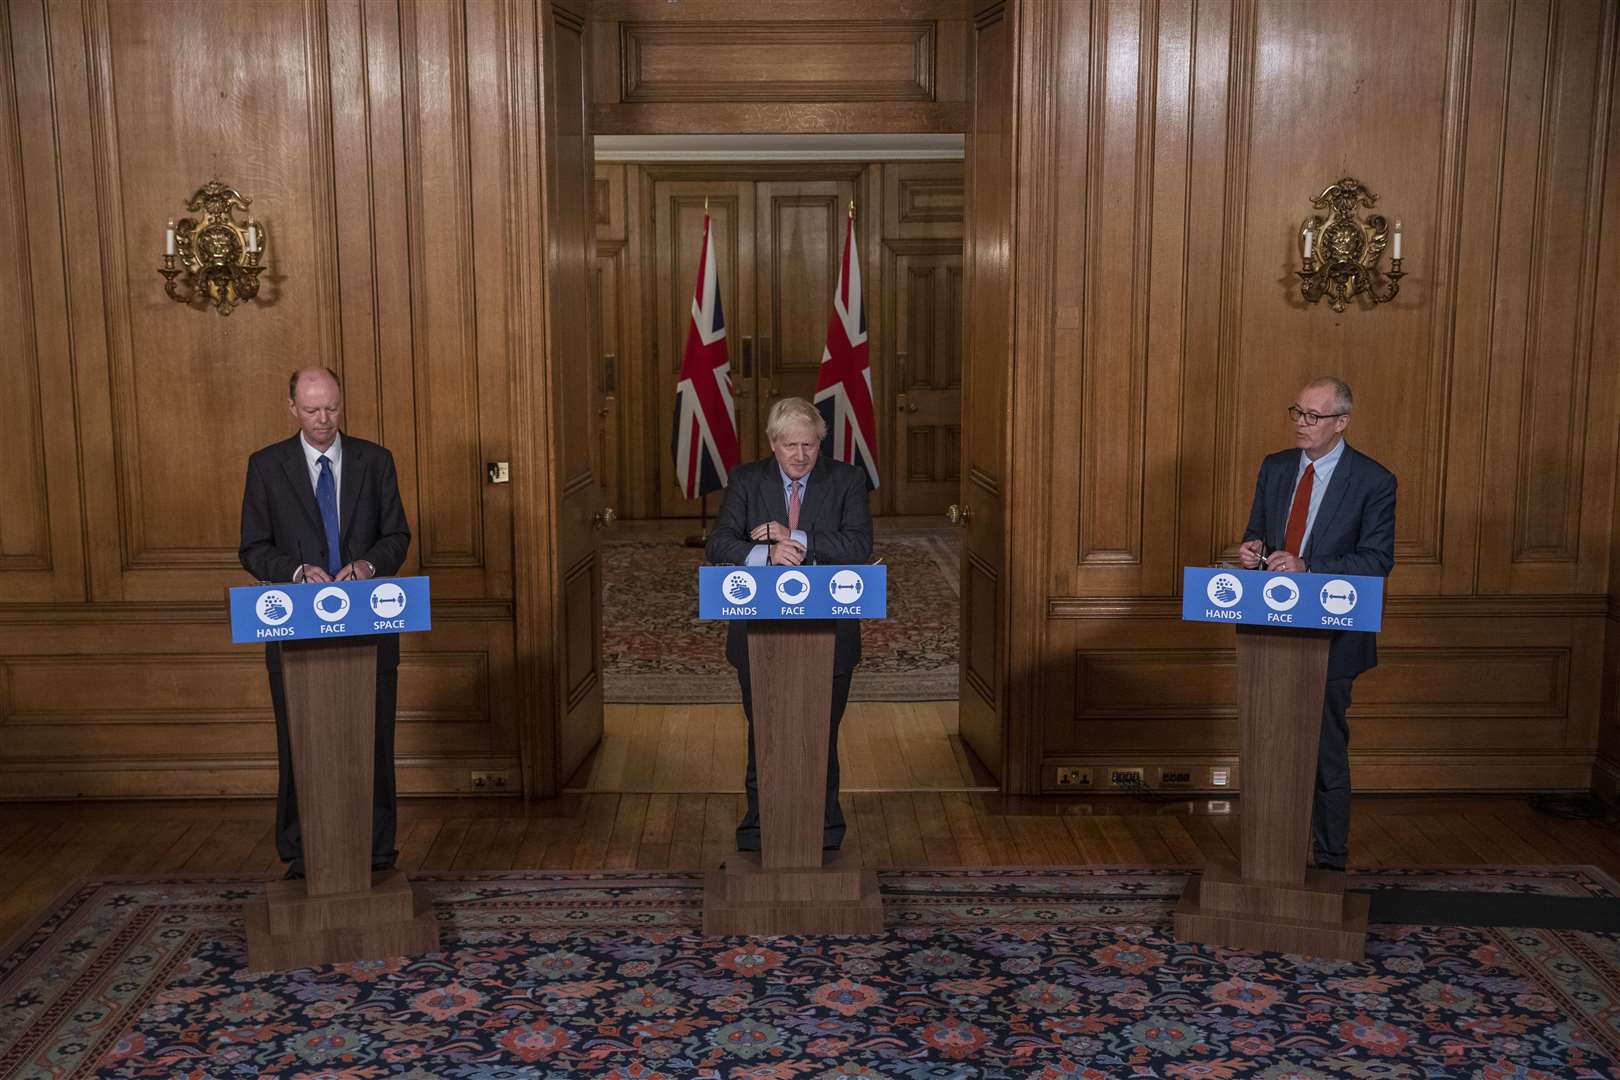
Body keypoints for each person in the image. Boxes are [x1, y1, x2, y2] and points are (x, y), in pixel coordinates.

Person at [239, 367, 411, 879]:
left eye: (332, 408)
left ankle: (378, 852)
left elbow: (397, 535)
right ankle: (299, 852)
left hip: (369, 625)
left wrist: (367, 567)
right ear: (292, 408)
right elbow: (252, 546)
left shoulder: (375, 461)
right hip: (295, 629)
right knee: (298, 744)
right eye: (312, 410)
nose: (323, 420)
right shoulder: (266, 466)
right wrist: (294, 572)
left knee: (374, 742)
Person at [1239, 376, 1395, 873]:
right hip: (1271, 630)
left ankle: (1329, 860)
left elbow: (1376, 561)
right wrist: (1252, 549)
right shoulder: (1277, 466)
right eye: (1297, 412)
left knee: (1325, 750)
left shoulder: (1374, 481)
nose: (1301, 424)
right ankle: (1270, 854)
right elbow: (1260, 532)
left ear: (1341, 422)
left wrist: (1308, 565)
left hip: (1334, 633)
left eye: (1313, 416)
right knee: (1270, 745)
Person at [706, 397, 874, 852]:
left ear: (820, 442)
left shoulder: (847, 479)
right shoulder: (745, 480)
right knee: (765, 733)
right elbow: (718, 542)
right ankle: (759, 832)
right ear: (773, 444)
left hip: (830, 632)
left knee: (821, 734)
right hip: (758, 633)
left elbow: (858, 545)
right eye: (790, 446)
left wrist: (794, 538)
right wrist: (764, 553)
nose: (800, 456)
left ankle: (824, 834)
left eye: (809, 445)